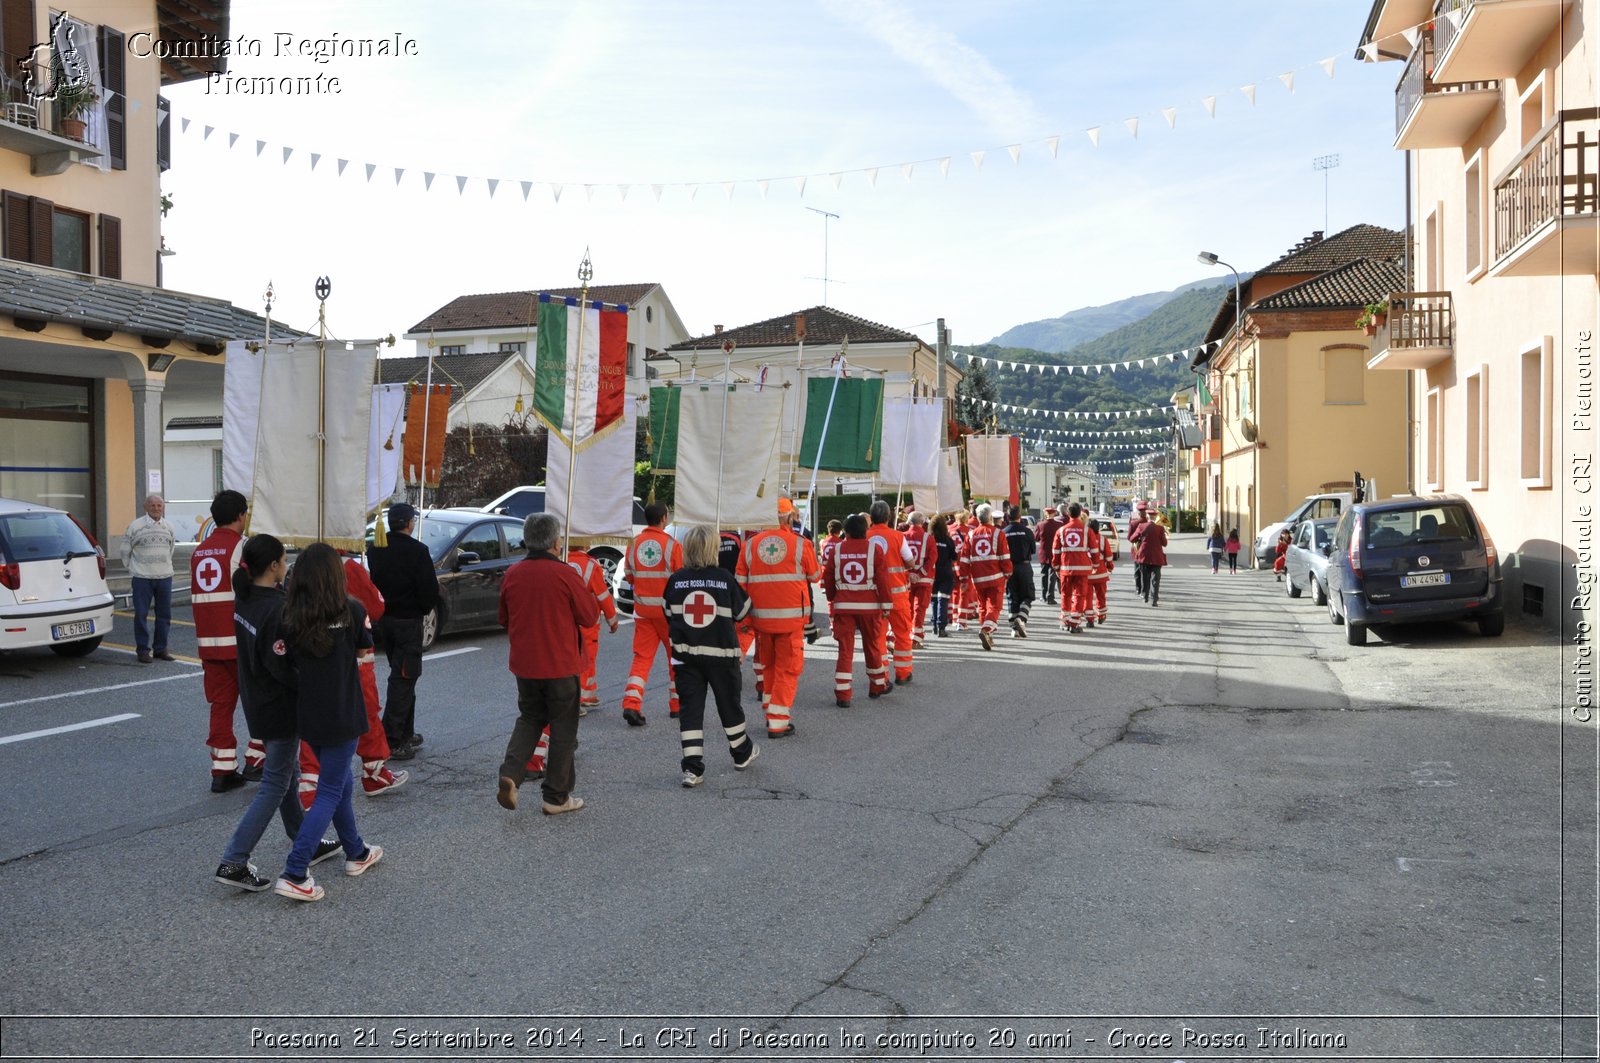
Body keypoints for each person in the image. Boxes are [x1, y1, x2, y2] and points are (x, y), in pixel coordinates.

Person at [214, 534, 341, 891]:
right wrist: (314, 687)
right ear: (273, 566)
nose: (287, 567)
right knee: (274, 782)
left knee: (286, 773)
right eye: (284, 561)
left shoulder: (247, 598)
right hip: (278, 706)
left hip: (257, 700)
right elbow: (283, 667)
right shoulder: (274, 610)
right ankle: (234, 859)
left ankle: (305, 838)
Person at [274, 543, 385, 902]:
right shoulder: (351, 610)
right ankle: (295, 870)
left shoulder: (290, 618)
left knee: (338, 784)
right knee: (330, 791)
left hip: (310, 713)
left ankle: (356, 851)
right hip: (344, 712)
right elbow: (364, 649)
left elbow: (286, 663)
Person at [495, 513, 597, 814]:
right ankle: (556, 796)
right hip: (561, 664)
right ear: (556, 542)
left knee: (529, 719)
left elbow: (503, 618)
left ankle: (511, 774)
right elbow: (589, 617)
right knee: (564, 728)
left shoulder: (512, 574)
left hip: (525, 665)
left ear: (527, 540)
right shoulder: (566, 575)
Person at [297, 553, 409, 806]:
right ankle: (374, 774)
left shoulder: (305, 564)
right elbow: (377, 607)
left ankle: (310, 785)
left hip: (313, 660)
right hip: (353, 659)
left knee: (313, 718)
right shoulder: (348, 567)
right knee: (366, 714)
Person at [664, 526, 760, 787]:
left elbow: (669, 613)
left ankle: (692, 769)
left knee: (691, 713)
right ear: (712, 549)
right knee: (729, 707)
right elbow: (743, 613)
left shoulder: (676, 579)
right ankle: (741, 753)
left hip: (686, 659)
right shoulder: (725, 578)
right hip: (721, 657)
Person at [523, 540, 621, 778]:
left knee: (539, 707)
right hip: (578, 633)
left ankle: (536, 756)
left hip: (549, 636)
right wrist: (612, 617)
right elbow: (600, 596)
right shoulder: (589, 565)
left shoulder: (551, 563)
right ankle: (551, 771)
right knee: (564, 695)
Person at [191, 489, 265, 792]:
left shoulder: (199, 551)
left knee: (221, 704)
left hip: (208, 642)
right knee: (260, 700)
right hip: (239, 640)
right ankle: (257, 758)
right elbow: (256, 591)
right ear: (240, 516)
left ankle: (222, 769)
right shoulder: (242, 547)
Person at [736, 498, 819, 738]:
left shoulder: (750, 546)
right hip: (791, 620)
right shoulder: (801, 544)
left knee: (769, 666)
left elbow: (740, 584)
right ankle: (778, 721)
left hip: (761, 620)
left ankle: (770, 710)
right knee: (788, 669)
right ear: (790, 516)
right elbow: (814, 576)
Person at [366, 502, 439, 761]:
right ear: (409, 523)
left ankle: (406, 731)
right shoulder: (418, 551)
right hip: (408, 621)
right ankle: (393, 739)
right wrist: (421, 607)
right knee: (403, 679)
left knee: (404, 677)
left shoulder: (376, 549)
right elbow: (430, 591)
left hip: (386, 621)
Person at [618, 502, 682, 727]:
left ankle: (631, 703)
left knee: (642, 658)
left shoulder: (634, 544)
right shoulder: (672, 546)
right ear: (664, 518)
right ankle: (676, 705)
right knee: (676, 657)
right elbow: (680, 580)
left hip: (643, 611)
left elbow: (629, 575)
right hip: (667, 614)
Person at [821, 513, 893, 706]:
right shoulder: (874, 549)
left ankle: (843, 694)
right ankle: (877, 686)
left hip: (843, 606)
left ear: (847, 531)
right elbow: (883, 580)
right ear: (865, 531)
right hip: (869, 607)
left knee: (845, 650)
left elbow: (827, 577)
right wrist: (886, 605)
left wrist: (831, 598)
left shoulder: (836, 550)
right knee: (872, 645)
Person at [122, 493, 177, 664]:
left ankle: (160, 649)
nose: (156, 508)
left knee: (164, 615)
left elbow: (171, 549)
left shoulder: (169, 527)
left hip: (164, 577)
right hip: (142, 578)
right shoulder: (135, 526)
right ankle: (143, 650)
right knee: (140, 615)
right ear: (145, 507)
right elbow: (125, 551)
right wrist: (133, 569)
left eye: (159, 505)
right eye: (152, 505)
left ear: (163, 507)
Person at [867, 499, 916, 683]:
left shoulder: (864, 536)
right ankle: (903, 673)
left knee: (877, 637)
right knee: (902, 634)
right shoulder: (898, 536)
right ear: (889, 517)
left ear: (871, 517)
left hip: (873, 596)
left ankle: (881, 675)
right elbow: (910, 562)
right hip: (897, 595)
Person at [959, 504, 1012, 651]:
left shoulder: (970, 535)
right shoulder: (997, 533)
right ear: (990, 517)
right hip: (995, 577)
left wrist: (963, 578)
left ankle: (987, 634)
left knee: (982, 607)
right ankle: (987, 629)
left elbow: (964, 559)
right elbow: (1004, 556)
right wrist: (1008, 572)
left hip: (977, 578)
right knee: (995, 606)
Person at [1055, 503, 1092, 633]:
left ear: (1068, 514)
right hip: (1082, 569)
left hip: (1066, 568)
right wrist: (1095, 564)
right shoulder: (1087, 531)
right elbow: (1094, 550)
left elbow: (1056, 551)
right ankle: (1075, 623)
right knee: (1079, 595)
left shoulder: (1061, 530)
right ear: (1080, 513)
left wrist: (1056, 566)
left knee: (1065, 595)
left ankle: (1064, 620)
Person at [1001, 505, 1035, 638]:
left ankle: (1014, 629)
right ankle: (1021, 619)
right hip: (1024, 566)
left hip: (1009, 567)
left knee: (1012, 598)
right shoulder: (1027, 531)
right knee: (1028, 596)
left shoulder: (1003, 532)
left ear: (1007, 518)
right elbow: (1032, 550)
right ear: (1019, 517)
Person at [904, 512, 934, 646]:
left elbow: (897, 558)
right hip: (924, 580)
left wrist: (908, 574)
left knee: (907, 608)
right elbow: (932, 559)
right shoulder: (928, 538)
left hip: (905, 579)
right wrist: (920, 574)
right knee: (920, 609)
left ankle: (905, 636)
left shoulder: (902, 536)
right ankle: (916, 638)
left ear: (909, 522)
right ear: (922, 523)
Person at [928, 515, 957, 638]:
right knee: (943, 600)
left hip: (933, 572)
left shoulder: (930, 539)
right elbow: (954, 557)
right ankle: (941, 627)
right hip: (946, 573)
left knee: (934, 599)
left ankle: (934, 625)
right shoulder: (948, 540)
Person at [1035, 506, 1063, 604]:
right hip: (1055, 553)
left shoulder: (1040, 524)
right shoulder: (1059, 525)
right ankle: (1050, 597)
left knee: (1044, 575)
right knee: (1053, 576)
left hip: (1044, 553)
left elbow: (1036, 538)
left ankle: (1043, 596)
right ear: (1054, 513)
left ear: (1046, 513)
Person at [1127, 501, 1150, 598]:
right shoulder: (1151, 523)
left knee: (1137, 570)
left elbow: (1129, 537)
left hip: (1137, 550)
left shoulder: (1133, 522)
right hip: (1148, 550)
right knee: (1147, 570)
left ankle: (1138, 588)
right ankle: (1145, 589)